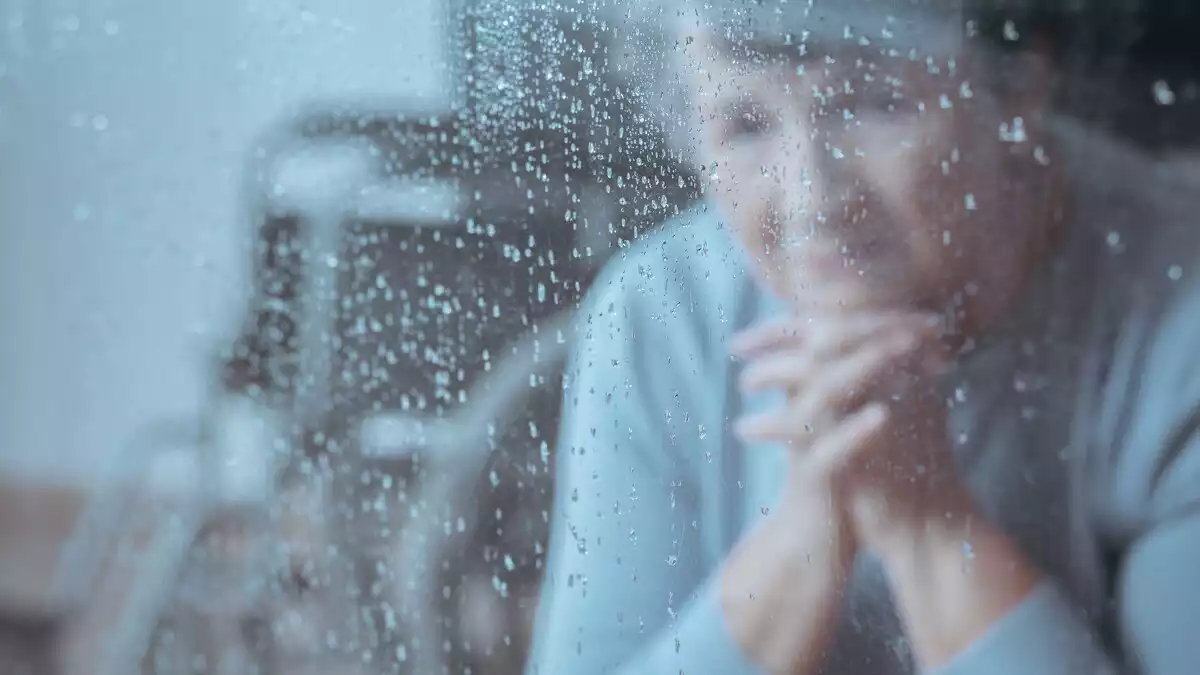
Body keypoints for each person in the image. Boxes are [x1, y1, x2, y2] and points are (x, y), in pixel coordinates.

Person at [525, 0, 1200, 674]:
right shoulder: (656, 316)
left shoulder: (1180, 303)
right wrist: (807, 528)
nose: (812, 198)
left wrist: (927, 523)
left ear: (1019, 85)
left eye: (876, 105)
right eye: (745, 125)